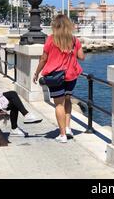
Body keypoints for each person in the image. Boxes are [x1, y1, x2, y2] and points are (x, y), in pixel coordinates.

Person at [33, 14, 85, 143]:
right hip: (71, 75)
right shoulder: (74, 40)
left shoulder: (51, 39)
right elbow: (82, 57)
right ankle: (68, 128)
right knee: (67, 100)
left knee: (58, 104)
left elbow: (44, 58)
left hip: (56, 76)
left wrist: (36, 72)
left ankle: (62, 135)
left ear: (55, 26)